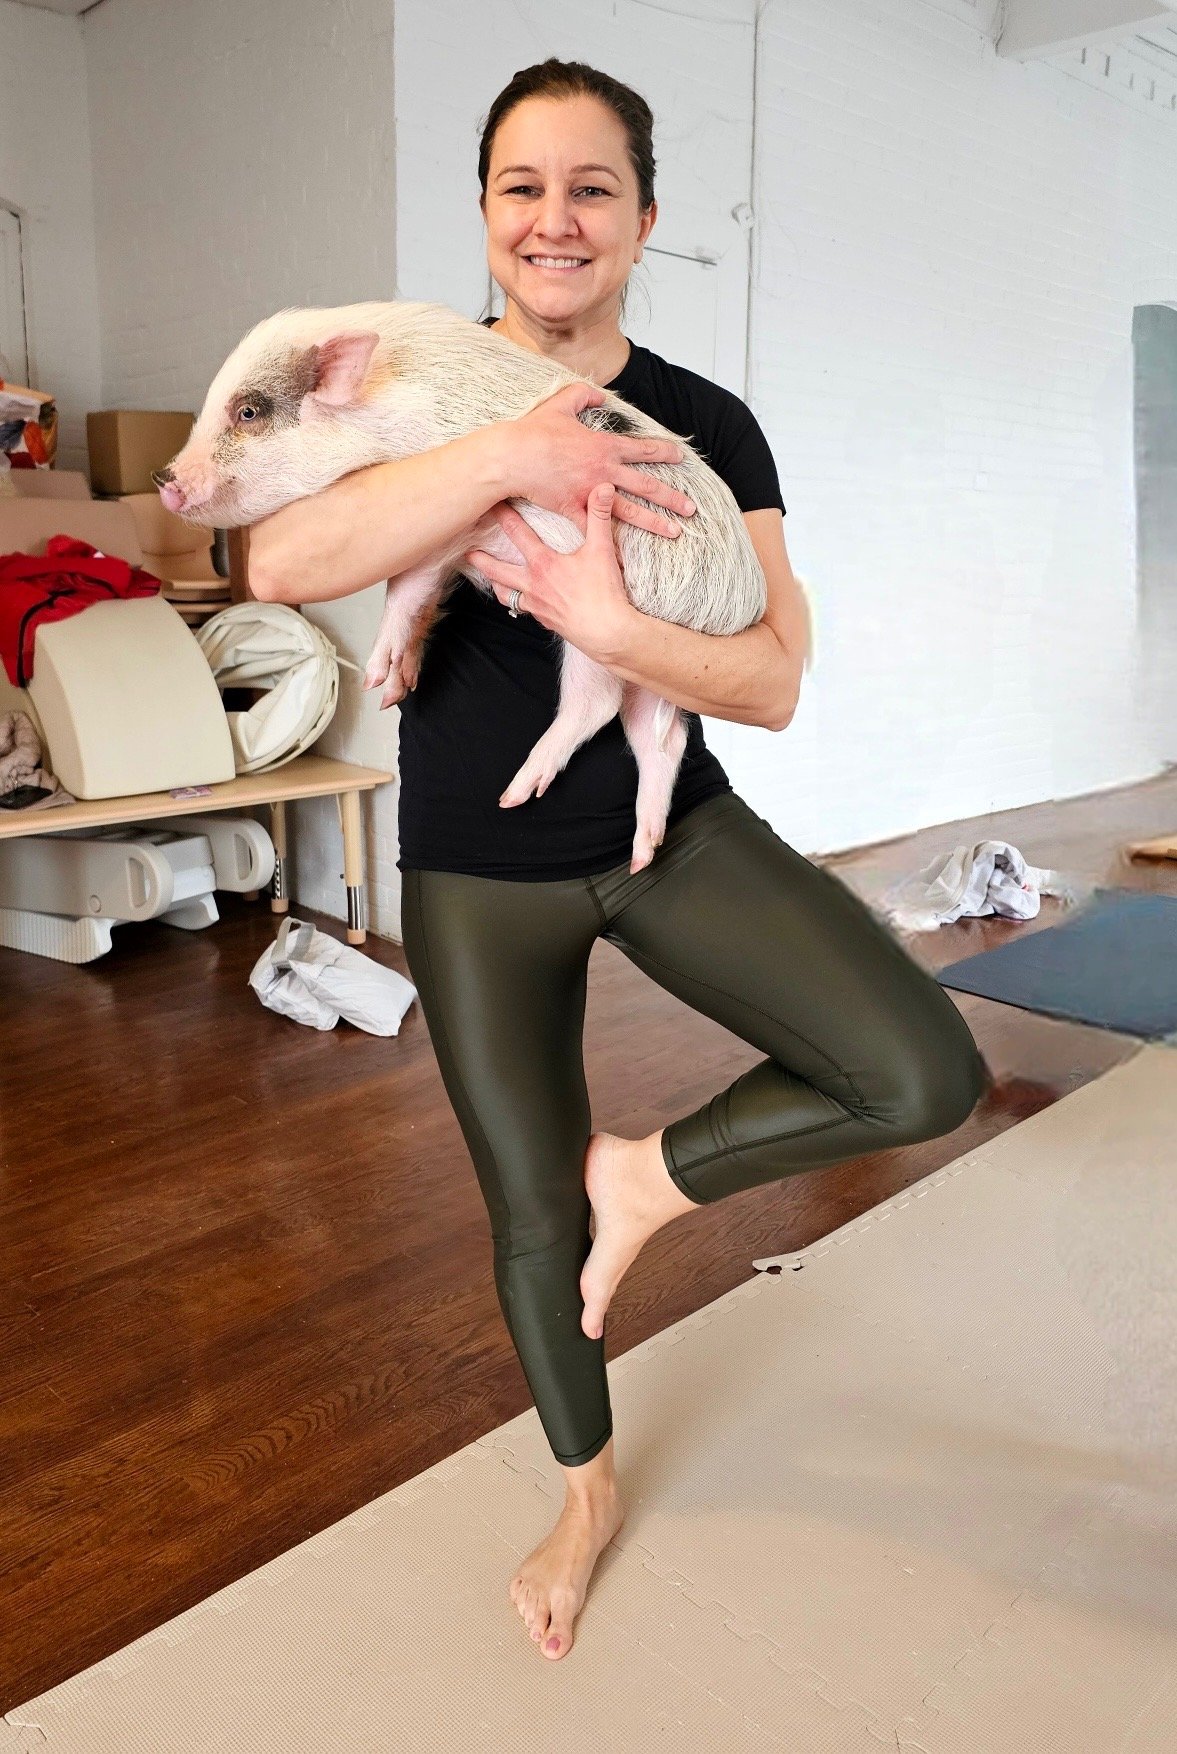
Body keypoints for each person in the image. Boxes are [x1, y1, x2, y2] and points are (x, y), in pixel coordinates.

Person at [248, 58, 988, 1665]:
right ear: (484, 215)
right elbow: (280, 556)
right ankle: (581, 1497)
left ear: (645, 219)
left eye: (591, 188)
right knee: (526, 1221)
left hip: (671, 834)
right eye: (522, 187)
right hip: (470, 870)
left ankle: (641, 1179)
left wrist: (613, 629)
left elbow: (777, 679)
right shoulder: (409, 397)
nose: (554, 219)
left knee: (921, 1069)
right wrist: (514, 453)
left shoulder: (708, 423)